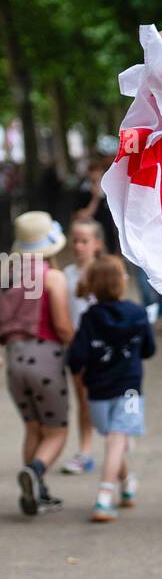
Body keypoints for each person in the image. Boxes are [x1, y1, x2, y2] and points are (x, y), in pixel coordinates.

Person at [66, 255, 155, 521]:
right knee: (118, 439)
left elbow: (76, 357)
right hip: (129, 390)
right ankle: (126, 482)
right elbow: (149, 350)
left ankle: (105, 495)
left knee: (114, 438)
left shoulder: (89, 317)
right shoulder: (138, 313)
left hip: (98, 391)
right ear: (121, 283)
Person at [0, 212, 74, 514]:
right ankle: (36, 471)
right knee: (56, 431)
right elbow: (63, 326)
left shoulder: (7, 275)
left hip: (14, 359)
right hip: (45, 357)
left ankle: (35, 493)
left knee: (33, 427)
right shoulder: (51, 277)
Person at [60, 216, 102, 474]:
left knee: (109, 399)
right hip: (77, 347)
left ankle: (119, 439)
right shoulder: (65, 276)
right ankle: (85, 450)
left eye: (84, 241)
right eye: (75, 241)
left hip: (104, 348)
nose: (78, 246)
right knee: (83, 400)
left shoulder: (107, 272)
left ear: (96, 243)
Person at [72, 157, 119, 256]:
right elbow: (81, 214)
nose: (95, 175)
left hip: (108, 228)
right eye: (92, 172)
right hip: (92, 227)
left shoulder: (107, 188)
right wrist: (95, 198)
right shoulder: (84, 191)